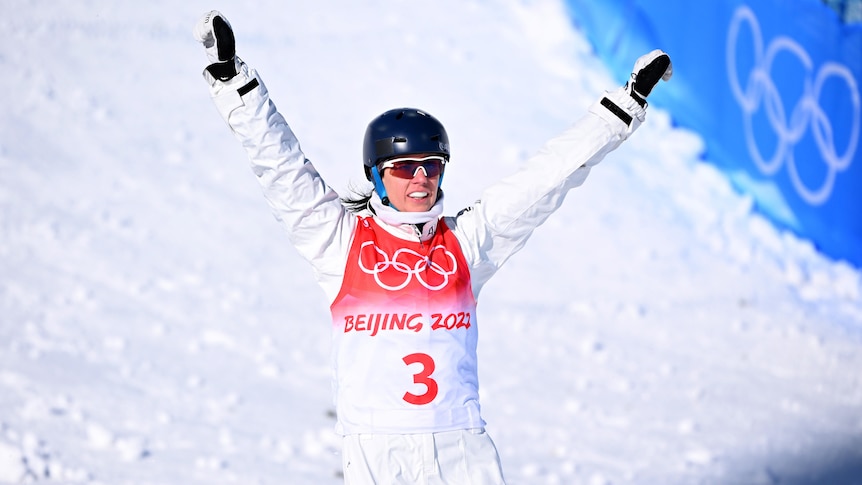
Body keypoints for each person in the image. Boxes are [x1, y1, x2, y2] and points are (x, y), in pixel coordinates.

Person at [194, 10, 671, 484]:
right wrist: (231, 80)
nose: (419, 179)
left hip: (461, 448)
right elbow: (282, 169)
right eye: (403, 168)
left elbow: (546, 179)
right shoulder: (340, 244)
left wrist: (624, 106)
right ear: (377, 175)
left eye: (431, 165)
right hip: (378, 452)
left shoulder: (465, 243)